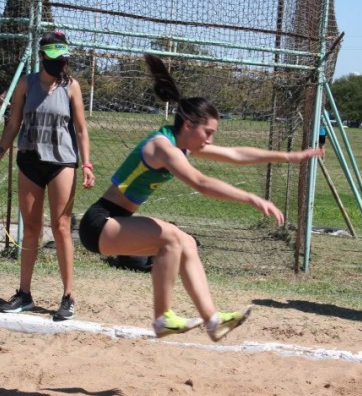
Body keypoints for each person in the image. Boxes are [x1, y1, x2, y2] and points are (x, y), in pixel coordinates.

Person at [78, 54, 323, 342]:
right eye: (208, 132)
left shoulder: (180, 145)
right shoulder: (162, 147)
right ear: (188, 125)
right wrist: (252, 199)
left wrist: (290, 156)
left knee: (187, 243)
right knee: (170, 238)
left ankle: (213, 321)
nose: (210, 140)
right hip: (100, 222)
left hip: (118, 222)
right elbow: (201, 183)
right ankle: (162, 318)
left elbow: (236, 154)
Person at [0, 31, 95, 321]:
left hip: (62, 163)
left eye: (64, 59)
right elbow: (14, 123)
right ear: (42, 57)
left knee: (61, 227)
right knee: (31, 229)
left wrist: (87, 164)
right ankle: (24, 294)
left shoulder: (71, 87)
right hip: (30, 160)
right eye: (55, 59)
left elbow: (81, 129)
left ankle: (68, 296)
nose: (61, 65)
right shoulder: (26, 84)